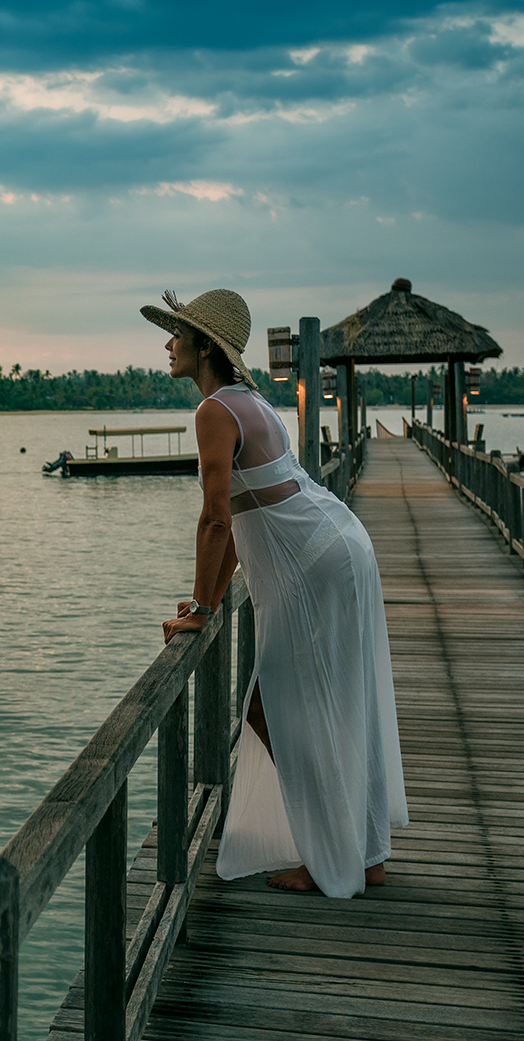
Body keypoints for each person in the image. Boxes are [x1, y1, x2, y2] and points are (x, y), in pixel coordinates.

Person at [144, 288, 407, 898]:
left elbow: (214, 517)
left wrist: (204, 609)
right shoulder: (253, 403)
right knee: (339, 697)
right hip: (338, 542)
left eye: (176, 335)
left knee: (271, 706)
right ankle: (363, 852)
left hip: (312, 561)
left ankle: (329, 857)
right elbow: (239, 515)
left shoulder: (214, 413)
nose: (168, 344)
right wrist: (203, 598)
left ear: (204, 346)